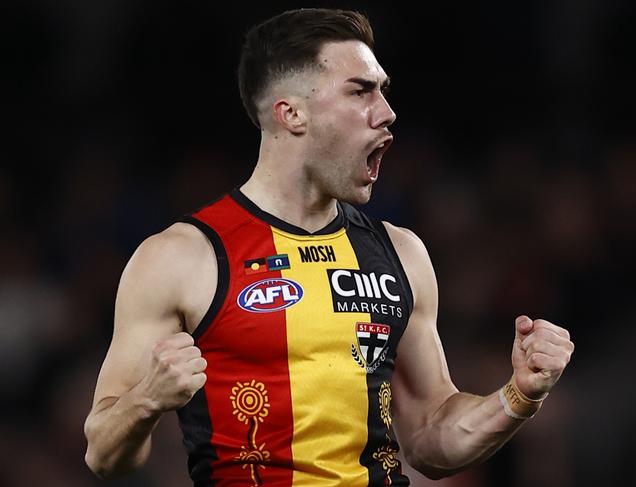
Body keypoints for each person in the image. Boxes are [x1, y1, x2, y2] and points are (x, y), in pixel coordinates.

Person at [83, 8, 574, 486]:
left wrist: (518, 396)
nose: (387, 112)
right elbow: (104, 455)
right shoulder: (182, 257)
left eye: (383, 90)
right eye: (361, 91)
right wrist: (148, 398)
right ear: (291, 113)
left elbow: (429, 439)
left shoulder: (400, 253)